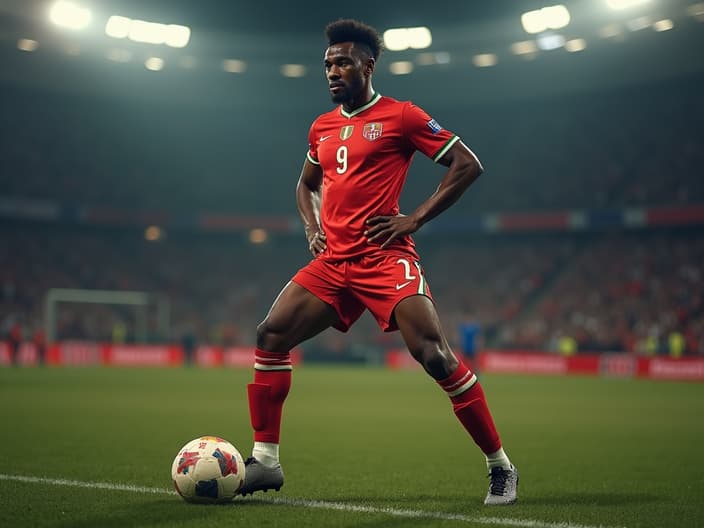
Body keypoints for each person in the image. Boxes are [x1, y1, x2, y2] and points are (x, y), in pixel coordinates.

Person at [239, 19, 519, 505]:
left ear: (368, 65)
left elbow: (467, 164)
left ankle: (501, 467)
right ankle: (265, 462)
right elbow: (305, 184)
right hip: (333, 262)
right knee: (270, 335)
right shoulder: (321, 126)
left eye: (343, 62)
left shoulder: (402, 116)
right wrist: (312, 227)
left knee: (434, 355)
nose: (332, 71)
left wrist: (415, 219)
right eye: (328, 64)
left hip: (384, 257)